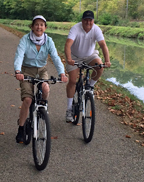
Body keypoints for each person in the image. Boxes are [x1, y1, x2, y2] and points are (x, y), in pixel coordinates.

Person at [14, 15, 68, 143]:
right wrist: (18, 71)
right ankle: (21, 129)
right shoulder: (25, 40)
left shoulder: (48, 41)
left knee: (45, 88)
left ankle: (42, 109)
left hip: (42, 70)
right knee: (27, 99)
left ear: (45, 27)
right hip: (26, 70)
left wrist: (62, 73)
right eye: (36, 24)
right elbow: (19, 55)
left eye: (42, 24)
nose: (39, 27)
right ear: (32, 27)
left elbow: (55, 57)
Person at [64, 10, 111, 122]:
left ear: (93, 21)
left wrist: (107, 60)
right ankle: (69, 109)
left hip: (90, 55)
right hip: (75, 57)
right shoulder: (75, 28)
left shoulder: (96, 29)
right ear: (82, 20)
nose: (88, 22)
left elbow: (103, 45)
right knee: (72, 81)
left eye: (90, 20)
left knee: (99, 67)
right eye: (86, 20)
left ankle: (90, 87)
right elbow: (68, 44)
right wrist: (69, 59)